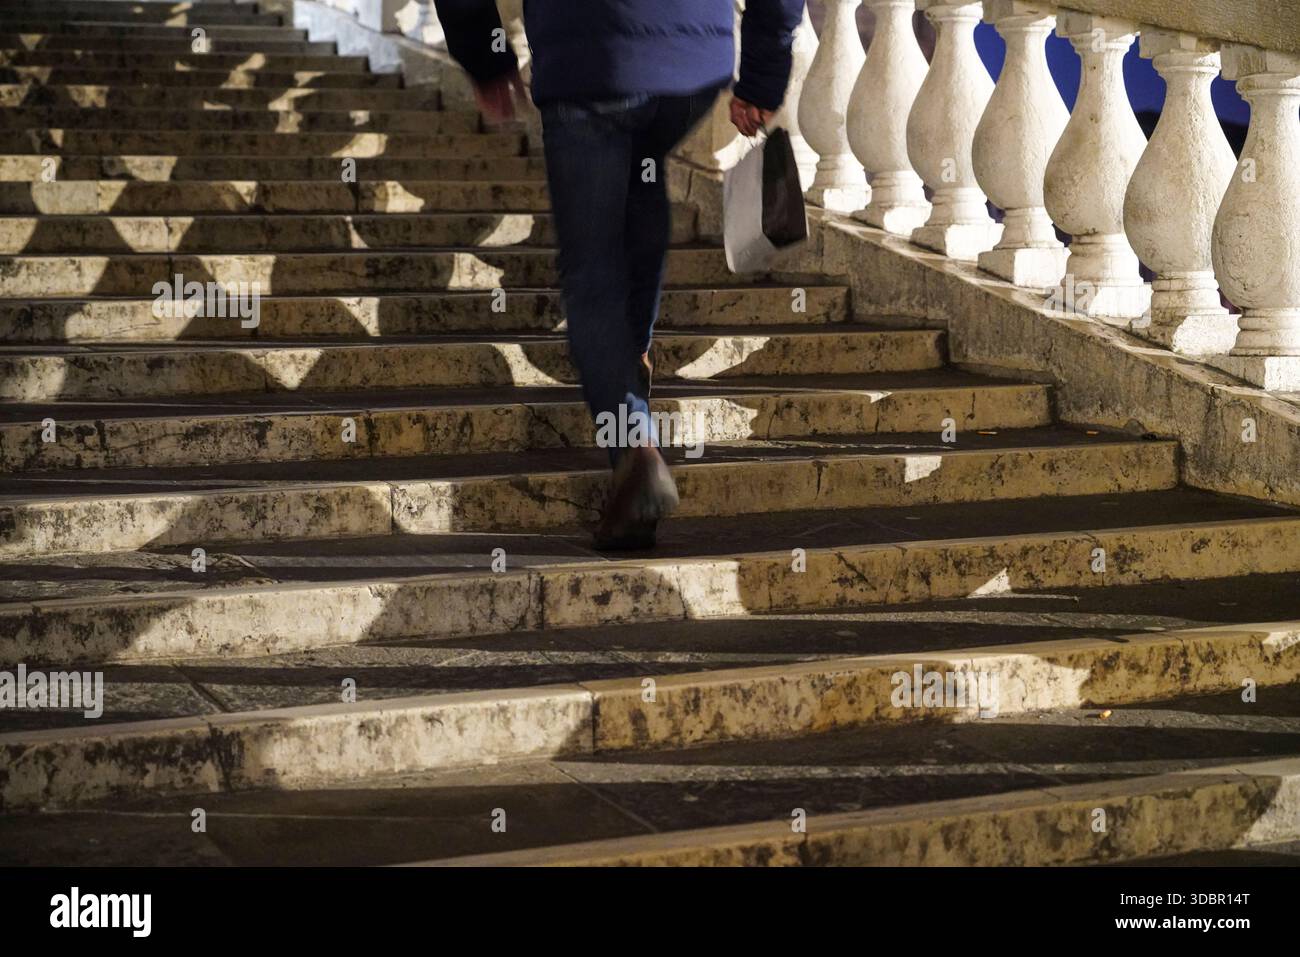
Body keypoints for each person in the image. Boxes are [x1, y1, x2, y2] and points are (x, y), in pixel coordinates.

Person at [433, 0, 805, 548]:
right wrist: (764, 75)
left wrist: (485, 55)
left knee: (593, 266)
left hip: (587, 53)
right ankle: (632, 359)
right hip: (691, 63)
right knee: (640, 174)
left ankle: (635, 448)